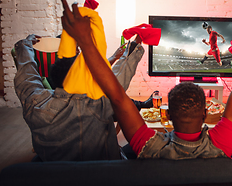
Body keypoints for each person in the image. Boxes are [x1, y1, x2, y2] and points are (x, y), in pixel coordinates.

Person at [58, 0, 232, 160]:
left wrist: (85, 42)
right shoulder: (221, 144)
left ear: (169, 116)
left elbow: (116, 95)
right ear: (205, 113)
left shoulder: (148, 146)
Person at [14, 31, 145, 161]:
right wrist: (136, 42)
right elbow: (122, 72)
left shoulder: (34, 101)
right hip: (104, 173)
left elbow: (26, 73)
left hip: (53, 174)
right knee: (142, 147)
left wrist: (25, 45)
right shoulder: (100, 103)